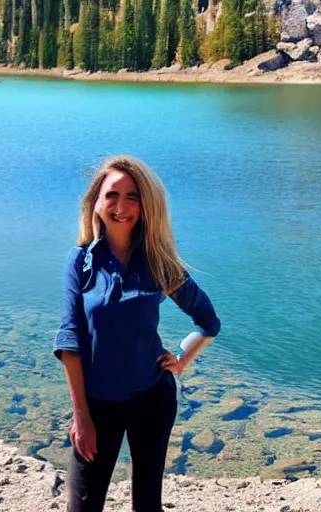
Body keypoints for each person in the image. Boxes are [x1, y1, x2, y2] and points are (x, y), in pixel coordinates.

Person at [54, 155, 221, 512]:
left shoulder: (158, 261)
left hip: (153, 399)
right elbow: (70, 342)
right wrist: (81, 416)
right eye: (112, 195)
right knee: (82, 507)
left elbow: (208, 320)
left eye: (133, 196)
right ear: (96, 202)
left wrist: (181, 360)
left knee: (147, 506)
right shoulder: (80, 262)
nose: (121, 206)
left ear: (146, 206)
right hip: (98, 406)